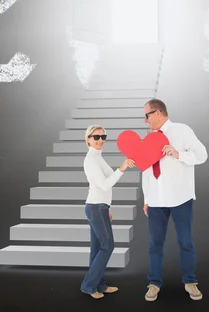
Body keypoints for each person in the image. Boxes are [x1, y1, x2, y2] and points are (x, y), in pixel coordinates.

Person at [141, 98, 208, 301]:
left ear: (158, 112)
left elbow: (202, 154)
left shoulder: (182, 131)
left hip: (181, 199)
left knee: (185, 242)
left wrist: (178, 154)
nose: (146, 121)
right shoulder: (149, 138)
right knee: (155, 244)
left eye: (147, 116)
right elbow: (146, 170)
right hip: (156, 202)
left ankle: (190, 281)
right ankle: (154, 283)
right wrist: (147, 197)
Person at [80, 124, 135, 299]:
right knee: (107, 246)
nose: (100, 140)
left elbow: (104, 185)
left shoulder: (99, 157)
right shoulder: (91, 159)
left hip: (100, 207)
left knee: (97, 249)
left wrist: (107, 207)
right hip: (95, 207)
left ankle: (99, 285)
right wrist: (122, 168)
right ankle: (88, 285)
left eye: (103, 137)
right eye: (96, 137)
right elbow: (104, 184)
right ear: (88, 139)